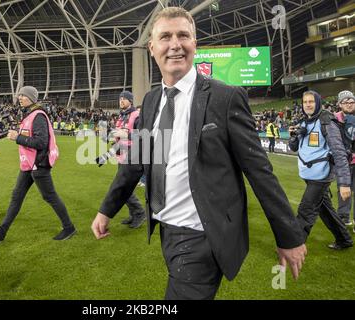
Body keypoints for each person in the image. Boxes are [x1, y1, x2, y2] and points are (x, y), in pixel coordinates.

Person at [91, 7, 306, 300]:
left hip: (202, 236)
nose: (175, 44)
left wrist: (289, 236)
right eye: (165, 36)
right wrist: (107, 209)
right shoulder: (152, 100)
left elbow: (259, 171)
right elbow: (137, 160)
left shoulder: (225, 98)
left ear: (195, 43)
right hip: (166, 230)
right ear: (152, 47)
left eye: (183, 35)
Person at [0, 86, 76, 243]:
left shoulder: (38, 115)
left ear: (31, 98)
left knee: (50, 196)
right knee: (16, 197)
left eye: (23, 95)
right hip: (29, 165)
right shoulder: (30, 114)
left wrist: (16, 137)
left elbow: (41, 142)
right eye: (19, 95)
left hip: (38, 164)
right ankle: (1, 233)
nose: (19, 98)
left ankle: (69, 227)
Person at [288, 90, 353, 250]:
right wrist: (294, 137)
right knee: (326, 211)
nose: (308, 105)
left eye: (311, 101)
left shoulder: (327, 121)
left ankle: (294, 246)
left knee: (306, 209)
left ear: (318, 103)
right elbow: (294, 147)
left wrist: (344, 183)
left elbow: (339, 152)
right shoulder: (304, 121)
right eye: (305, 102)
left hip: (321, 176)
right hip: (308, 174)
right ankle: (344, 239)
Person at [109, 91, 146, 228]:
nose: (121, 101)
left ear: (131, 101)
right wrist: (114, 139)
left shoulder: (136, 115)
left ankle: (139, 212)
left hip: (132, 155)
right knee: (125, 187)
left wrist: (125, 134)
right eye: (120, 99)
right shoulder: (122, 115)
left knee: (122, 187)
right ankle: (134, 213)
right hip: (122, 155)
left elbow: (143, 135)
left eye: (124, 99)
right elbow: (119, 134)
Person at [334, 90, 355, 227]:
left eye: (352, 101)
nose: (349, 104)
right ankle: (343, 218)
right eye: (345, 102)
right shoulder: (334, 119)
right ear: (340, 104)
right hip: (343, 163)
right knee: (344, 191)